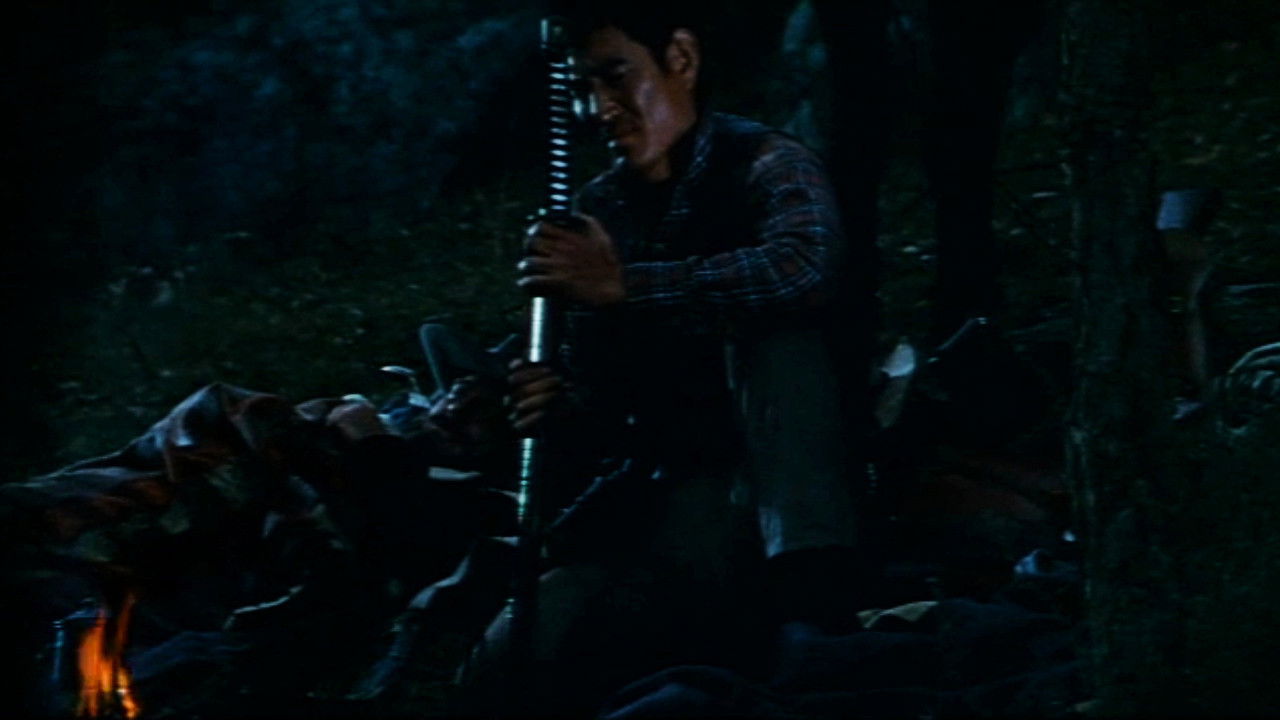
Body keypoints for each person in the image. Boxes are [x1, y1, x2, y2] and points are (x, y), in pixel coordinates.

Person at [467, 5, 867, 714]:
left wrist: (627, 285)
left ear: (680, 59)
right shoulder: (599, 212)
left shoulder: (766, 164)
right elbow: (600, 389)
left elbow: (804, 268)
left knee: (775, 337)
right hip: (663, 500)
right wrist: (553, 397)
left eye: (617, 77)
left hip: (780, 486)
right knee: (513, 656)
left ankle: (813, 610)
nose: (600, 109)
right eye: (585, 89)